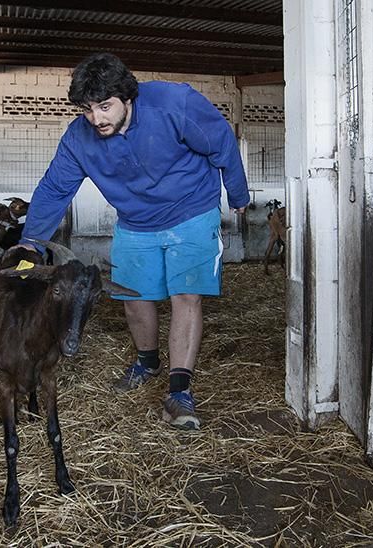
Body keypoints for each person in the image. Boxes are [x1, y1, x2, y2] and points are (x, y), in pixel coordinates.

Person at [18, 52, 250, 431]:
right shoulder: (79, 137)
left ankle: (179, 391)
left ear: (129, 97)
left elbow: (221, 140)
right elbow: (55, 188)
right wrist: (30, 242)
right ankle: (146, 361)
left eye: (105, 107)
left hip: (191, 209)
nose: (97, 119)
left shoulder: (175, 103)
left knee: (185, 295)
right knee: (132, 297)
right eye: (87, 109)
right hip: (136, 220)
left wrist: (238, 195)